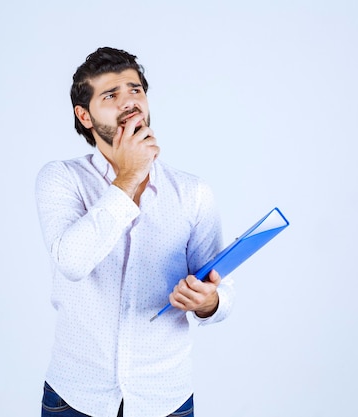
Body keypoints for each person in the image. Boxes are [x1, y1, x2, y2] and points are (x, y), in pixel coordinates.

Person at [35, 47, 235, 417]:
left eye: (135, 89)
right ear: (85, 115)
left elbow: (223, 292)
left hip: (165, 398)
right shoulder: (62, 179)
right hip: (75, 397)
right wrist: (129, 177)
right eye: (110, 95)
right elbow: (73, 262)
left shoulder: (192, 192)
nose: (128, 101)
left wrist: (209, 303)